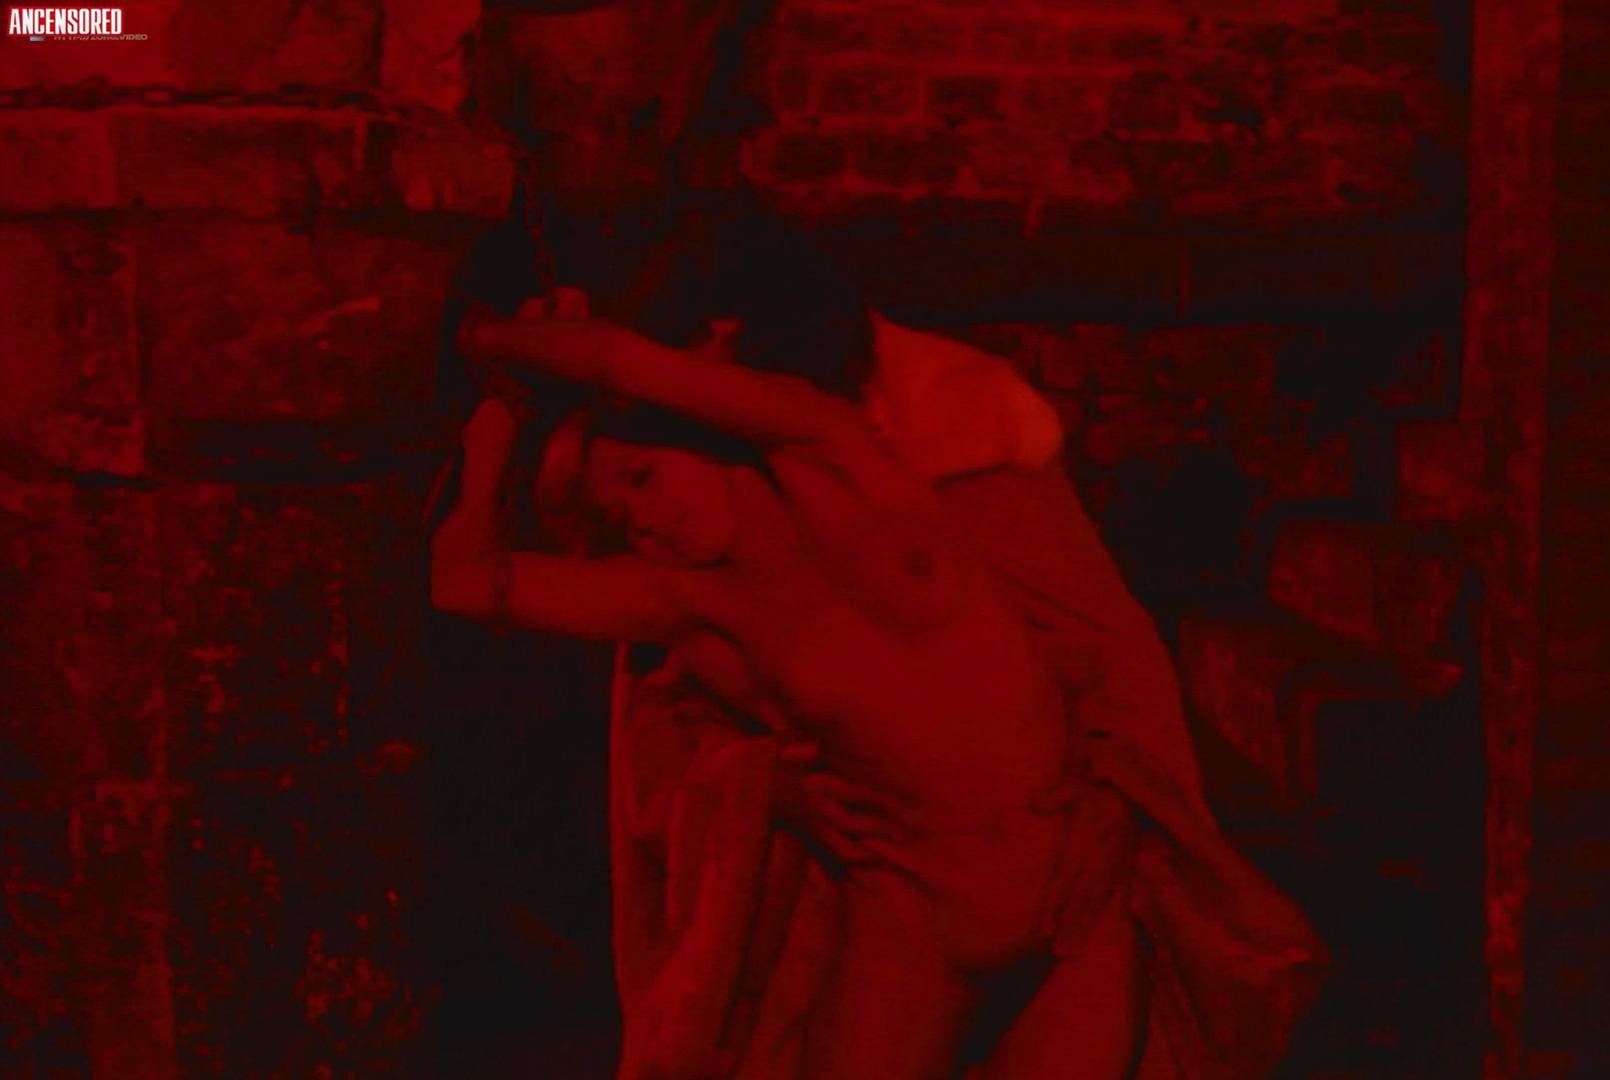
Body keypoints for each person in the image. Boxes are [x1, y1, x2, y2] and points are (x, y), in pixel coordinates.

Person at [432, 308, 1147, 1078]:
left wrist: (494, 338)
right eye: (621, 520)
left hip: (1075, 907)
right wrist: (497, 416)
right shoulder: (689, 606)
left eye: (643, 477)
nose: (648, 521)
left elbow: (625, 364)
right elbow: (461, 582)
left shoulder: (835, 459)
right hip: (918, 929)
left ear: (699, 431)